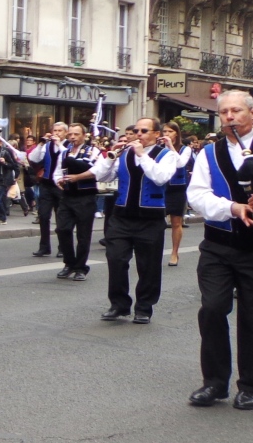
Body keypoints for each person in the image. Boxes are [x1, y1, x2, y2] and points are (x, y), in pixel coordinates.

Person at [188, 89, 253, 410]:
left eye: (236, 111)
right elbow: (197, 195)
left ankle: (251, 385)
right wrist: (233, 207)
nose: (230, 117)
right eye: (224, 112)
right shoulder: (208, 154)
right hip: (218, 245)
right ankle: (215, 382)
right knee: (213, 308)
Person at [65, 117, 176, 324]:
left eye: (144, 131)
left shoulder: (166, 155)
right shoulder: (124, 154)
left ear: (156, 134)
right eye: (137, 130)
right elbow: (101, 176)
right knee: (116, 259)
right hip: (121, 216)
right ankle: (119, 304)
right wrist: (110, 156)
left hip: (150, 218)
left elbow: (160, 178)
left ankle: (144, 307)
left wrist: (142, 155)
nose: (139, 134)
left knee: (148, 265)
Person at [51, 123, 100, 281]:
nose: (72, 137)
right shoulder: (64, 153)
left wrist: (77, 176)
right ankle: (69, 263)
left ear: (84, 136)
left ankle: (81, 267)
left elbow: (96, 171)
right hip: (67, 196)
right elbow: (58, 171)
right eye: (70, 134)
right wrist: (58, 180)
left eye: (76, 134)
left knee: (83, 234)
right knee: (63, 229)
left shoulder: (93, 150)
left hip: (85, 197)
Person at [28, 122, 68, 257]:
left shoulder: (68, 146)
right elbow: (33, 158)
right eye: (55, 130)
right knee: (44, 216)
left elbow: (67, 156)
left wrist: (59, 144)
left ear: (65, 133)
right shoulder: (47, 145)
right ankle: (44, 247)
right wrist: (40, 144)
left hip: (61, 186)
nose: (56, 133)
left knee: (61, 218)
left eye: (59, 131)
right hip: (46, 184)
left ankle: (63, 247)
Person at [162, 121, 193, 266]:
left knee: (176, 222)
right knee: (156, 222)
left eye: (170, 131)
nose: (166, 134)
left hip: (177, 188)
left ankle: (174, 252)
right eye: (164, 132)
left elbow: (180, 163)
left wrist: (171, 147)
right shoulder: (158, 148)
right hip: (161, 187)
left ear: (176, 133)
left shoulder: (185, 149)